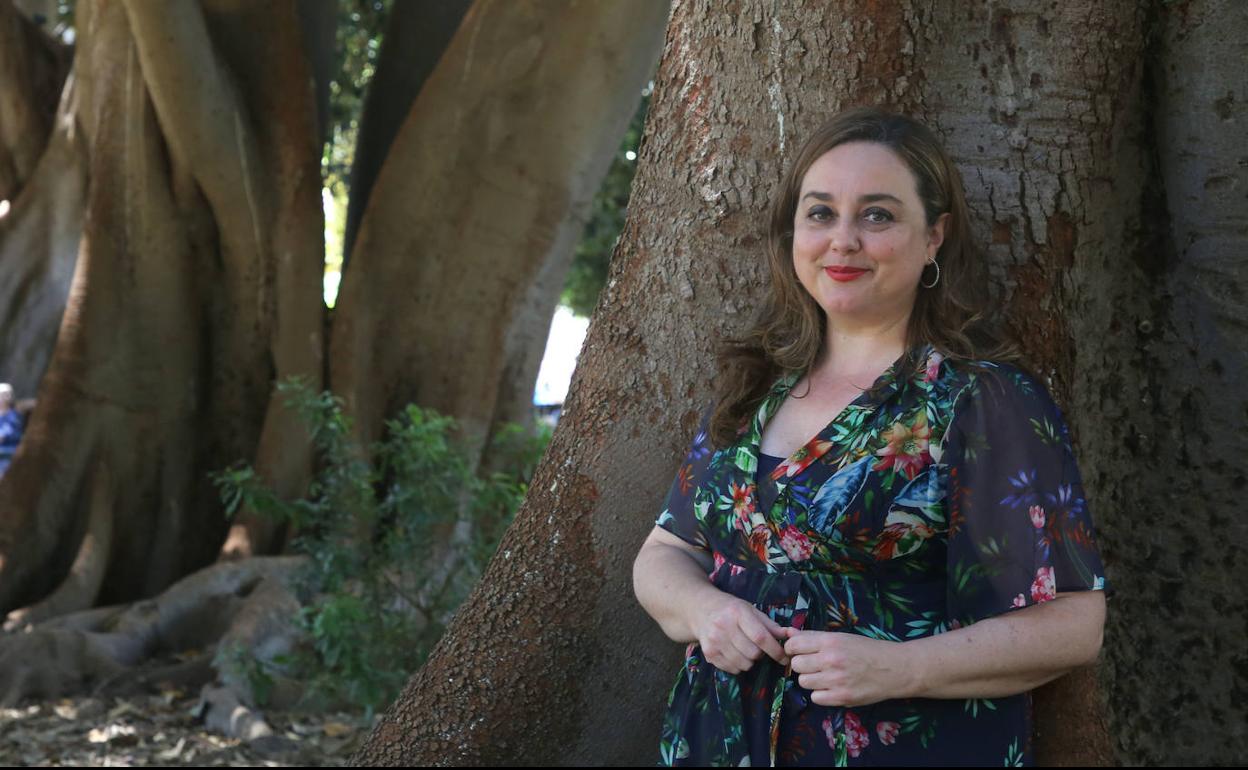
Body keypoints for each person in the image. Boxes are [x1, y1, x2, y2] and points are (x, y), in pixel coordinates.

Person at [632, 107, 1110, 767]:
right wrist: (705, 609)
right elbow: (663, 552)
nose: (843, 240)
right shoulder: (753, 388)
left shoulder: (979, 401)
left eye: (878, 215)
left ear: (934, 236)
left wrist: (902, 668)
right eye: (821, 213)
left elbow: (1074, 626)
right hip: (718, 742)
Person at [0, 383, 35, 477]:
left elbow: (5, 435)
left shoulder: (14, 413)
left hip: (10, 452)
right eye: (2, 394)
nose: (5, 397)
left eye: (8, 394)